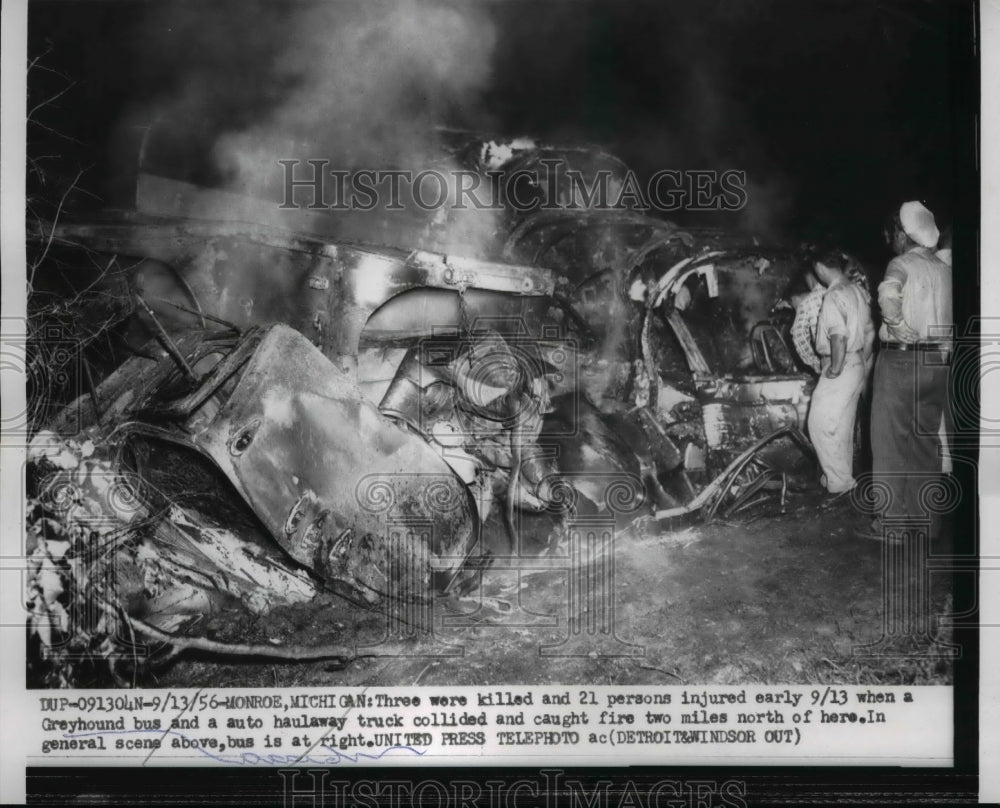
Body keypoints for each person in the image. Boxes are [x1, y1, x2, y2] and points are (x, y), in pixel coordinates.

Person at [862, 201, 952, 540]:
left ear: (902, 233)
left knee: (889, 444)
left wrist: (896, 323)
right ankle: (927, 522)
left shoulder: (901, 263)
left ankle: (891, 525)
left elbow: (888, 293)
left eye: (893, 235)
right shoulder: (944, 269)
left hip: (901, 361)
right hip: (935, 364)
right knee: (925, 444)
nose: (891, 241)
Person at [806, 252, 874, 495]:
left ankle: (838, 482)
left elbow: (838, 335)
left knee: (819, 424)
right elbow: (869, 331)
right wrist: (862, 361)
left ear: (819, 266)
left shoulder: (833, 294)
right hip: (856, 362)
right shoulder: (856, 290)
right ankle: (842, 479)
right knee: (842, 425)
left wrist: (835, 368)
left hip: (840, 364)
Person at [789, 270, 826, 374]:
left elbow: (798, 334)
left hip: (828, 360)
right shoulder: (840, 289)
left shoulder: (808, 302)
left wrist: (813, 362)